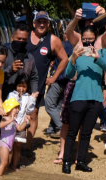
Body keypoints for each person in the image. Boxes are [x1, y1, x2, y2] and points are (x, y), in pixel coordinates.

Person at [61, 25, 106, 174]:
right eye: (85, 40)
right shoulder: (77, 53)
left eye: (90, 40)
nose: (88, 43)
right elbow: (69, 74)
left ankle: (81, 161)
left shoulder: (103, 52)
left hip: (96, 98)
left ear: (95, 38)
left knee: (87, 133)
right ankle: (66, 162)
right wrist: (73, 59)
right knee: (72, 131)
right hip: (78, 97)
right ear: (81, 40)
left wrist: (98, 58)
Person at [0, 24, 38, 166]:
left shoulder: (29, 57)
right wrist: (10, 69)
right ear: (12, 37)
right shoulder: (4, 53)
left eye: (24, 39)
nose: (21, 42)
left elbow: (34, 76)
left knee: (16, 132)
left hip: (23, 100)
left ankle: (10, 162)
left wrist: (34, 92)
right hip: (2, 97)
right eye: (18, 38)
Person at [27, 12, 69, 144]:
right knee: (15, 114)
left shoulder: (53, 40)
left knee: (33, 115)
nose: (41, 24)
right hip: (19, 83)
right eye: (39, 21)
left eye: (44, 22)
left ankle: (27, 147)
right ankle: (14, 144)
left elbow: (64, 59)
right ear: (34, 23)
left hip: (36, 85)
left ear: (48, 24)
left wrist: (54, 77)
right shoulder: (25, 36)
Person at [6, 76, 35, 169]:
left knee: (17, 146)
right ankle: (7, 165)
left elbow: (30, 110)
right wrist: (18, 97)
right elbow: (8, 107)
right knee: (9, 146)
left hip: (21, 124)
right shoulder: (11, 94)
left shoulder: (28, 97)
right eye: (19, 86)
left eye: (24, 87)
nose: (21, 89)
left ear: (27, 87)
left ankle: (14, 166)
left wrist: (32, 99)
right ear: (16, 85)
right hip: (11, 124)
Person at [0, 97, 28, 176]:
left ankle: (2, 176)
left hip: (10, 145)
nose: (17, 110)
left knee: (8, 163)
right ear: (9, 109)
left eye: (18, 108)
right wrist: (10, 120)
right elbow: (0, 125)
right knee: (4, 163)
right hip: (4, 144)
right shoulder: (5, 118)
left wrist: (25, 121)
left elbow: (20, 128)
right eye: (15, 108)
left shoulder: (15, 121)